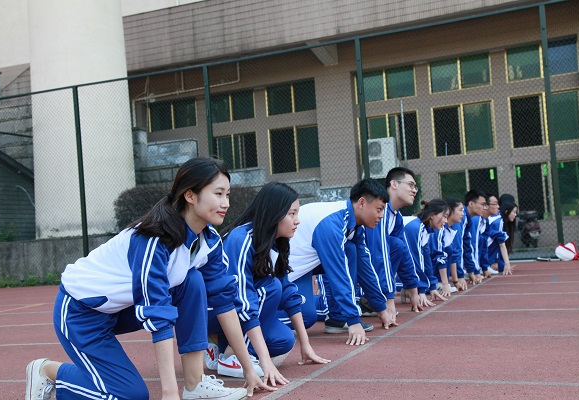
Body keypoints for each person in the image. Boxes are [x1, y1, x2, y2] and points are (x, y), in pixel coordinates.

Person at [25, 157, 272, 400]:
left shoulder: (209, 242)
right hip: (82, 313)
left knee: (192, 281)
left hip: (121, 309)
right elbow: (158, 313)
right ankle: (48, 371)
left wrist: (249, 369)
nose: (225, 203)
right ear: (190, 195)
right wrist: (169, 393)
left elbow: (224, 302)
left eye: (227, 194)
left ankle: (195, 384)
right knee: (130, 396)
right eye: (218, 194)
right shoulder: (154, 240)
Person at [207, 182, 330, 385]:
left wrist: (305, 344)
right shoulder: (241, 239)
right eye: (291, 214)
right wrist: (265, 360)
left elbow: (288, 292)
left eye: (297, 213)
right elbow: (242, 300)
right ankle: (231, 356)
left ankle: (218, 345)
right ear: (274, 213)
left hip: (238, 309)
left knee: (284, 340)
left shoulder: (276, 241)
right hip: (214, 310)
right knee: (271, 287)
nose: (297, 220)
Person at [287, 179, 393, 346]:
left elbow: (365, 267)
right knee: (305, 317)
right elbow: (338, 273)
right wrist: (354, 320)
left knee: (351, 250)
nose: (381, 216)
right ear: (362, 203)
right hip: (285, 271)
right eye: (379, 210)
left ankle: (338, 318)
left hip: (304, 265)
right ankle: (253, 316)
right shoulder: (332, 224)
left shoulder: (353, 225)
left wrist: (381, 307)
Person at [365, 167, 422, 318]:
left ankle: (366, 299)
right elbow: (379, 255)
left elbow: (405, 254)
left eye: (415, 187)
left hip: (362, 267)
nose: (414, 190)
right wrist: (388, 298)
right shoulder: (379, 211)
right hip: (338, 264)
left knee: (397, 245)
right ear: (394, 184)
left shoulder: (396, 217)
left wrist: (413, 289)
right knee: (315, 314)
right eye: (410, 185)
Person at [403, 199, 450, 306]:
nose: (446, 221)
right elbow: (415, 260)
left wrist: (432, 287)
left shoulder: (425, 230)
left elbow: (426, 260)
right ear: (432, 215)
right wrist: (421, 291)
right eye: (444, 216)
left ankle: (406, 288)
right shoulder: (416, 227)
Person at [463, 189, 488, 285]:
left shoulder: (469, 219)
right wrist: (459, 277)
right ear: (471, 204)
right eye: (482, 204)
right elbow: (459, 247)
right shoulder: (462, 218)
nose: (484, 208)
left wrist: (472, 272)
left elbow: (467, 246)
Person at [444, 198, 468, 291]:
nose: (463, 214)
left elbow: (453, 256)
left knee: (450, 249)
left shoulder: (451, 228)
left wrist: (456, 280)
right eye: (460, 210)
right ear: (450, 211)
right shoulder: (439, 230)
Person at [494, 201, 518, 275]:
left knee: (502, 267)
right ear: (507, 211)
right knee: (501, 267)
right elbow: (500, 244)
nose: (515, 215)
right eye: (514, 212)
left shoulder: (505, 223)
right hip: (488, 254)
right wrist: (506, 263)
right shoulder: (498, 222)